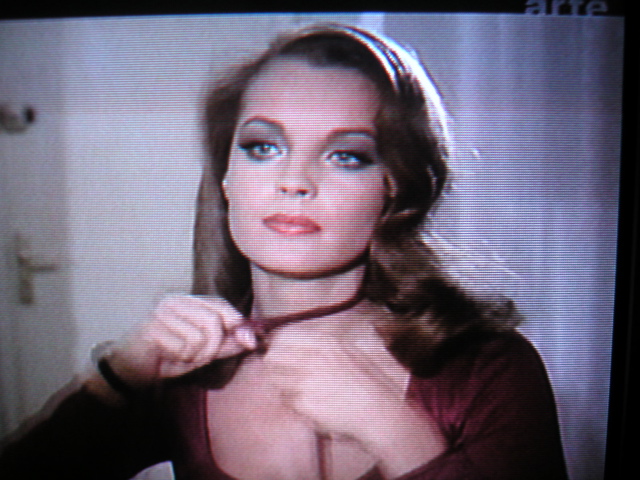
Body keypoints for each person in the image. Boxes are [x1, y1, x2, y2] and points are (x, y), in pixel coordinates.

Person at [0, 24, 568, 480]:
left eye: (347, 156)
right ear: (226, 176)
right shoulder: (181, 370)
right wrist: (118, 376)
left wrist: (393, 430)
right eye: (263, 147)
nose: (294, 182)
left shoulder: (488, 366)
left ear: (394, 187)